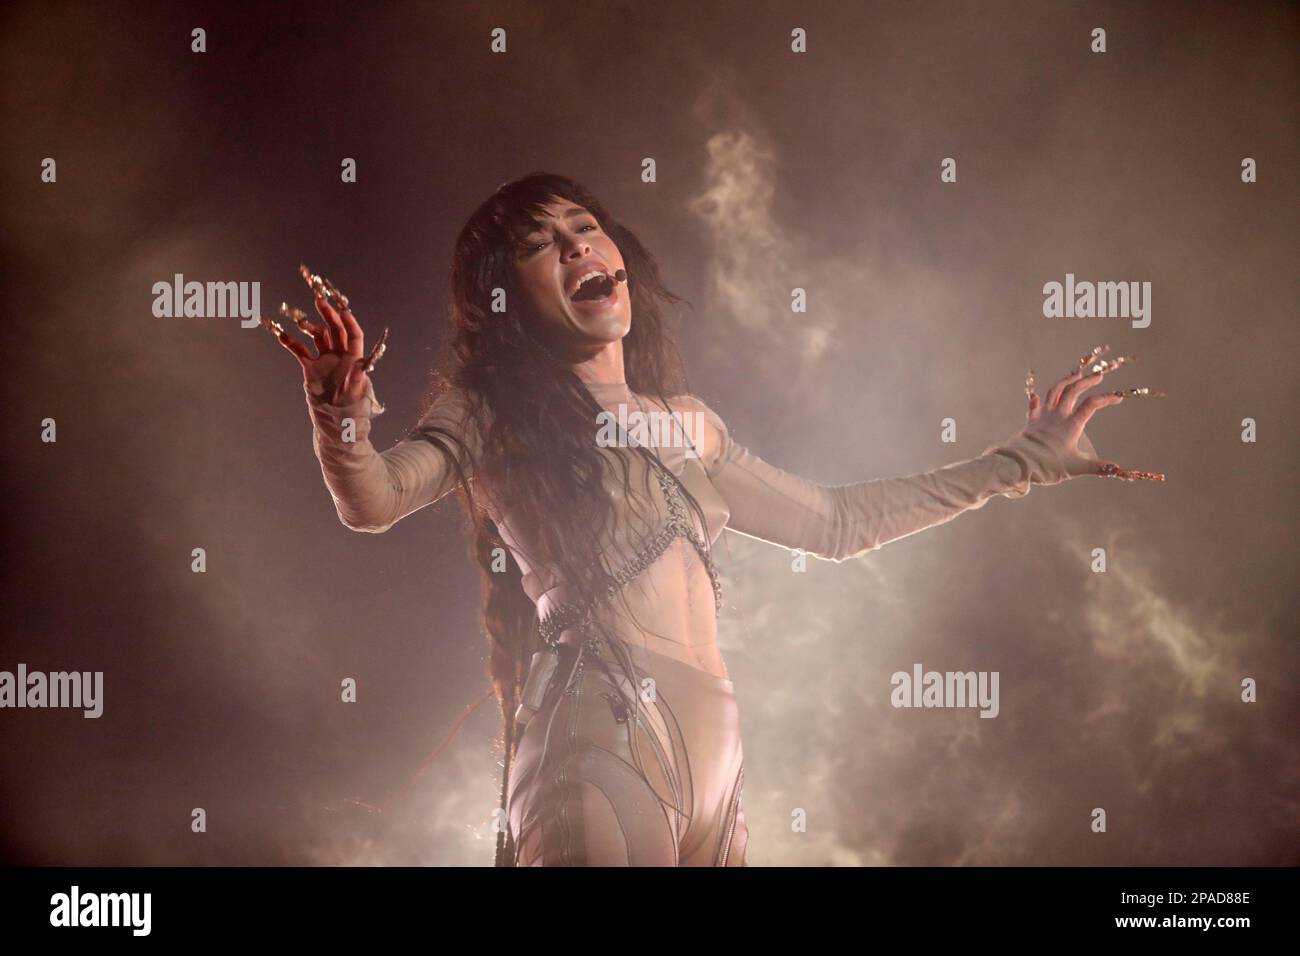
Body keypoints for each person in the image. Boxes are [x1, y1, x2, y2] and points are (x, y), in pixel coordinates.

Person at [260, 172, 1164, 867]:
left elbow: (838, 524)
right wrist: (339, 417)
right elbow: (373, 501)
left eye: (584, 227)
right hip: (600, 735)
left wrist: (1020, 463)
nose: (577, 248)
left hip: (718, 764)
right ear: (508, 298)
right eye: (543, 246)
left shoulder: (689, 422)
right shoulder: (490, 406)